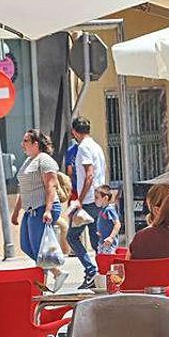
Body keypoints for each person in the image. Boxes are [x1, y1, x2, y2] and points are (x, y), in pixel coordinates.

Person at [66, 117, 108, 289]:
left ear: (75, 132)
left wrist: (79, 200)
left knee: (72, 236)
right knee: (95, 239)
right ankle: (102, 274)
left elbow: (89, 175)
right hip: (98, 197)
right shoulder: (96, 146)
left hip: (89, 199)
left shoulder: (83, 148)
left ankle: (92, 271)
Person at [11, 129, 62, 262]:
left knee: (39, 249)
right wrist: (16, 212)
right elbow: (24, 189)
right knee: (26, 246)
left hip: (42, 208)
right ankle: (55, 271)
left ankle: (46, 276)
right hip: (30, 210)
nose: (22, 144)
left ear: (36, 144)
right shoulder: (28, 161)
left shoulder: (44, 160)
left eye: (26, 141)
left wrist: (48, 210)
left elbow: (51, 186)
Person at [93, 185, 121, 255]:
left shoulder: (109, 210)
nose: (95, 200)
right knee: (102, 260)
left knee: (107, 261)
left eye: (97, 197)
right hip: (102, 241)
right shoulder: (102, 210)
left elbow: (117, 224)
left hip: (109, 243)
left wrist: (111, 237)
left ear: (105, 198)